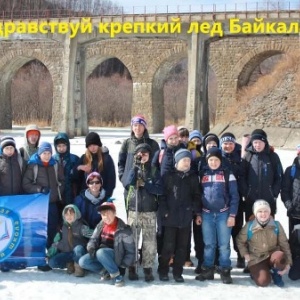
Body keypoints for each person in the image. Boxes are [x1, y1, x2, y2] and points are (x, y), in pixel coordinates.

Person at [196, 147, 239, 284]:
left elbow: (234, 196)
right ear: (207, 160)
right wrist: (198, 213)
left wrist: (232, 215)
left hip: (223, 214)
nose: (213, 162)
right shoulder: (202, 174)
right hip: (207, 214)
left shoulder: (227, 174)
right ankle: (207, 269)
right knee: (209, 244)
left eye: (216, 160)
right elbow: (197, 195)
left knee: (224, 245)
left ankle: (225, 270)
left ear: (220, 160)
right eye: (211, 160)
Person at [158, 149, 201, 283]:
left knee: (182, 247)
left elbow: (197, 196)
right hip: (170, 217)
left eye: (188, 160)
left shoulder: (193, 177)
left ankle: (178, 272)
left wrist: (193, 210)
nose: (187, 163)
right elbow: (162, 196)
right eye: (184, 160)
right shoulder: (168, 176)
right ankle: (163, 269)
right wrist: (164, 210)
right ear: (177, 161)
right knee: (168, 247)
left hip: (185, 218)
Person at [22, 141, 65, 271]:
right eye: (44, 153)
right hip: (38, 206)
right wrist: (39, 189)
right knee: (39, 232)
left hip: (52, 203)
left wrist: (58, 192)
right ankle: (39, 259)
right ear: (39, 153)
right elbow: (26, 185)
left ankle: (50, 257)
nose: (47, 156)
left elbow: (62, 181)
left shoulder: (55, 164)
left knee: (52, 231)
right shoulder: (33, 166)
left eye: (49, 153)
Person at [123, 143, 163, 282]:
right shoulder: (133, 169)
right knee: (132, 239)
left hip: (149, 211)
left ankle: (147, 267)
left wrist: (146, 184)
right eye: (140, 154)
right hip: (134, 211)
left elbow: (160, 189)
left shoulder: (153, 171)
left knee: (149, 242)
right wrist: (135, 167)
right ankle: (132, 266)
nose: (142, 156)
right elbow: (128, 184)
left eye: (145, 154)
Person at [236, 200, 292, 287]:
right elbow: (240, 241)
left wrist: (288, 262)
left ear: (269, 212)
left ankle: (276, 273)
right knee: (263, 282)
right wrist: (245, 254)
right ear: (255, 213)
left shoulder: (276, 225)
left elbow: (284, 244)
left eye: (266, 211)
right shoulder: (249, 226)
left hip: (272, 256)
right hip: (256, 259)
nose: (263, 214)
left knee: (280, 256)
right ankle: (256, 272)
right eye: (260, 211)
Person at [79, 202, 135, 287]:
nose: (106, 217)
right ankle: (106, 271)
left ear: (114, 213)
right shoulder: (101, 225)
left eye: (108, 213)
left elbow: (131, 252)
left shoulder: (124, 229)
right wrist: (91, 247)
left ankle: (117, 276)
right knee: (83, 262)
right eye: (103, 214)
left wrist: (123, 266)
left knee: (101, 252)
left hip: (116, 258)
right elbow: (93, 239)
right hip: (101, 255)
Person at [240, 129, 283, 221]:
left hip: (268, 200)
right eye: (255, 142)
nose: (257, 145)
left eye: (260, 142)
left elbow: (279, 176)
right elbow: (242, 176)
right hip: (251, 200)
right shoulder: (247, 156)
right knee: (251, 228)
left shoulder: (273, 156)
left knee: (268, 228)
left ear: (265, 142)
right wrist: (247, 193)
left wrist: (273, 193)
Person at [118, 114, 159, 207]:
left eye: (140, 125)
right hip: (130, 184)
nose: (138, 128)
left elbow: (157, 164)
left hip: (148, 184)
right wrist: (122, 177)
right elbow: (121, 163)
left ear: (145, 127)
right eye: (135, 125)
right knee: (131, 214)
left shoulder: (153, 144)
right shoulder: (127, 143)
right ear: (132, 127)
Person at [219, 132, 245, 268]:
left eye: (230, 143)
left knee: (237, 229)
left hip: (237, 198)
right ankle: (222, 258)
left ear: (234, 144)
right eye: (225, 143)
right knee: (222, 229)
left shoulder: (240, 158)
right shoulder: (218, 158)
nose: (228, 146)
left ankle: (240, 255)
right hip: (221, 199)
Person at [47, 204, 92, 277]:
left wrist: (97, 231)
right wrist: (49, 254)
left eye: (71, 214)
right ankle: (69, 264)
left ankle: (78, 267)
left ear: (76, 215)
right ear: (64, 216)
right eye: (67, 214)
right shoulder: (61, 228)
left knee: (78, 248)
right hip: (67, 253)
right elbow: (55, 243)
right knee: (52, 262)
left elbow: (92, 234)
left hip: (79, 253)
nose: (69, 217)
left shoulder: (81, 226)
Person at [73, 132, 115, 198]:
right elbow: (74, 178)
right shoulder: (84, 158)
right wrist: (79, 168)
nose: (92, 148)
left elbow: (111, 180)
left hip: (102, 196)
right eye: (90, 146)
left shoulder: (106, 158)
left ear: (99, 145)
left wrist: (106, 196)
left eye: (94, 145)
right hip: (85, 197)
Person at [53, 132, 79, 206]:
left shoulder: (74, 159)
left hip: (71, 193)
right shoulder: (52, 160)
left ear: (68, 145)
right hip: (57, 194)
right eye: (59, 146)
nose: (61, 148)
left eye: (64, 146)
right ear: (55, 146)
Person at [281, 144, 300, 237]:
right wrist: (289, 205)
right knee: (294, 242)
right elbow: (284, 190)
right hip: (294, 213)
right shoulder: (290, 170)